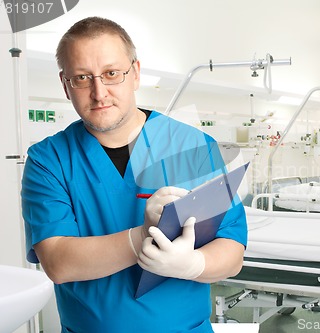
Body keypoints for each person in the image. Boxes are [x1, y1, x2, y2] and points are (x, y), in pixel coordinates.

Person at [21, 16, 247, 333]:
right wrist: (140, 238)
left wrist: (193, 265)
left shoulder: (194, 146)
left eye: (112, 74)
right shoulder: (49, 160)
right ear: (65, 84)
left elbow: (232, 250)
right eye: (83, 78)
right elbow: (58, 262)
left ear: (135, 74)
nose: (99, 92)